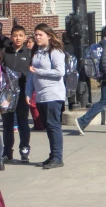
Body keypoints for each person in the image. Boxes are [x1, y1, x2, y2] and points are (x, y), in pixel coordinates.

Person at [25, 24, 67, 168]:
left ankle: (57, 157)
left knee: (54, 126)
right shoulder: (36, 52)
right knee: (48, 127)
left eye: (40, 34)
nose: (37, 37)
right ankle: (52, 155)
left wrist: (39, 72)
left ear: (49, 36)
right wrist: (28, 92)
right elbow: (31, 73)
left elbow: (60, 72)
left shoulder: (55, 51)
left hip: (53, 94)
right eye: (36, 34)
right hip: (41, 95)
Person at [2, 25, 32, 163]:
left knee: (23, 122)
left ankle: (24, 149)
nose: (18, 38)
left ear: (25, 37)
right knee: (7, 123)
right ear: (11, 36)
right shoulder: (4, 52)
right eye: (15, 35)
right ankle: (7, 152)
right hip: (6, 94)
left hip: (22, 91)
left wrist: (22, 74)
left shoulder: (29, 53)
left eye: (20, 35)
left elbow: (32, 71)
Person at [25, 34, 43, 131]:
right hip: (31, 81)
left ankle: (40, 125)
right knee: (33, 105)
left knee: (34, 105)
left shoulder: (37, 54)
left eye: (30, 42)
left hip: (38, 82)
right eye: (27, 42)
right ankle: (38, 124)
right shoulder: (28, 53)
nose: (28, 44)